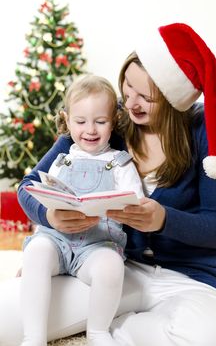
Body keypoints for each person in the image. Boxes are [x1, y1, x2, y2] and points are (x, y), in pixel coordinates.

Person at [0, 22, 216, 346]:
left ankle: (121, 328)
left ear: (172, 99)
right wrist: (49, 219)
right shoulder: (108, 121)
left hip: (189, 278)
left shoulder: (205, 129)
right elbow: (29, 184)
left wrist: (163, 219)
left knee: (215, 337)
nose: (131, 102)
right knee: (6, 320)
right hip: (113, 266)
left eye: (146, 97)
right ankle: (113, 323)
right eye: (128, 87)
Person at [19, 74, 144, 346]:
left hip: (98, 245)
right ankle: (33, 336)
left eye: (100, 122)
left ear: (115, 121)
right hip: (57, 240)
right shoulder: (62, 158)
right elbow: (42, 193)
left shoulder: (120, 162)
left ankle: (98, 331)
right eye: (80, 121)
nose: (90, 130)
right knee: (36, 253)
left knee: (111, 268)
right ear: (66, 120)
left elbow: (135, 199)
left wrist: (117, 205)